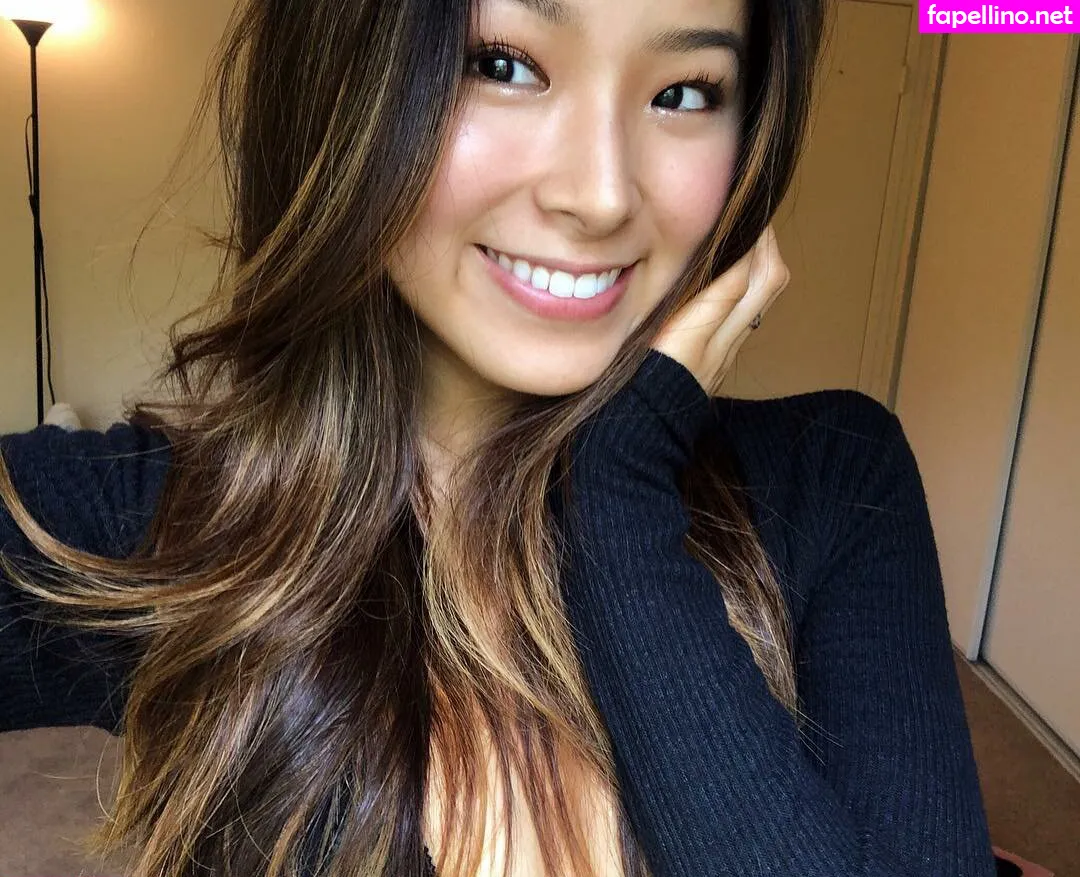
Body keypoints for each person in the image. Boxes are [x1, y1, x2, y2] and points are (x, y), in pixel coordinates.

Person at [0, 0, 1001, 875]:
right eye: (503, 64)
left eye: (686, 92)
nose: (600, 194)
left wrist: (623, 499)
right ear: (347, 79)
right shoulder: (169, 525)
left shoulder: (835, 480)